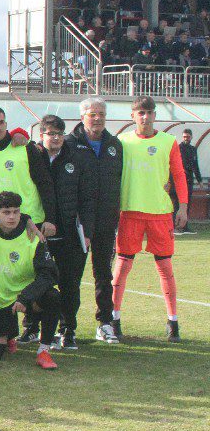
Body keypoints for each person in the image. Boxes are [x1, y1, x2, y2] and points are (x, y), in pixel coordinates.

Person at [111, 96, 189, 342]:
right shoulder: (121, 141)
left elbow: (178, 174)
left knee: (165, 268)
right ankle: (114, 319)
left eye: (149, 112)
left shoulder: (169, 141)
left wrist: (183, 207)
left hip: (160, 214)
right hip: (130, 212)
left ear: (155, 115)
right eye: (140, 113)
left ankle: (173, 322)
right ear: (132, 115)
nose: (145, 117)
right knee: (122, 267)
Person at [24, 115, 95, 351]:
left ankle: (68, 330)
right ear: (41, 135)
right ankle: (32, 327)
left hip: (70, 233)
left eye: (59, 133)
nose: (55, 138)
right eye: (50, 133)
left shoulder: (77, 158)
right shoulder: (31, 156)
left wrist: (87, 231)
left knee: (70, 283)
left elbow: (87, 198)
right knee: (36, 280)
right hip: (39, 230)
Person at [0, 191, 60, 369]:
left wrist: (26, 297)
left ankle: (44, 350)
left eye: (16, 212)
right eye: (6, 212)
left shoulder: (34, 238)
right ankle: (9, 334)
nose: (12, 216)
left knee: (52, 297)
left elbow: (48, 275)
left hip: (25, 298)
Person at [64, 97, 123, 342]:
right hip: (78, 223)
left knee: (103, 274)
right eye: (92, 114)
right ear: (82, 117)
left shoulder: (114, 144)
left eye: (101, 114)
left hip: (106, 221)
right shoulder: (69, 143)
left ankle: (105, 323)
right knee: (72, 275)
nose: (97, 118)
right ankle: (68, 327)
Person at [0, 107, 56, 229]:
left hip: (31, 221)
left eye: (1, 122)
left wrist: (50, 219)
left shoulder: (25, 147)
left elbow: (45, 183)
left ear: (6, 124)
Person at [177, 128, 201, 235]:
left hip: (189, 180)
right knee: (179, 204)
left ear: (191, 137)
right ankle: (177, 226)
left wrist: (199, 180)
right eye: (184, 137)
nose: (186, 139)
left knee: (188, 203)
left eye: (187, 137)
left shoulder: (193, 149)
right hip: (180, 180)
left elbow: (196, 166)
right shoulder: (178, 148)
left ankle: (185, 226)